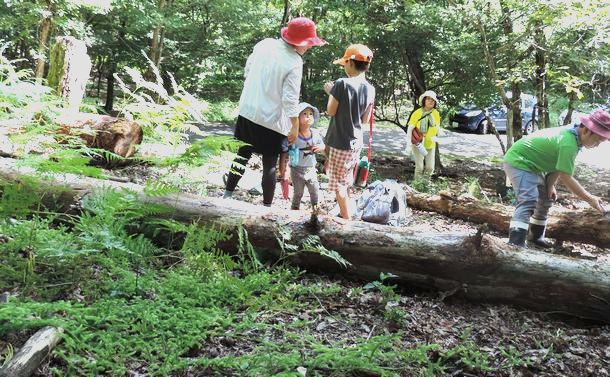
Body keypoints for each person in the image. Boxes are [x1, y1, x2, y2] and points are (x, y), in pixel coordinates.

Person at [223, 17, 326, 206]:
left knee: (242, 155)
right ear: (299, 43)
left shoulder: (264, 44)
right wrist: (295, 125)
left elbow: (248, 70)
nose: (309, 47)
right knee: (269, 165)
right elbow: (290, 98)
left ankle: (227, 195)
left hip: (248, 111)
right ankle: (267, 208)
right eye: (309, 44)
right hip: (271, 121)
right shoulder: (294, 61)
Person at [503, 109, 610, 247]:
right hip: (519, 162)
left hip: (534, 165)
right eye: (598, 140)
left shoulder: (575, 138)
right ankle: (515, 244)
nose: (597, 145)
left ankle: (535, 237)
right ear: (586, 131)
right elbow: (567, 178)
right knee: (528, 199)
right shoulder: (568, 143)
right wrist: (589, 198)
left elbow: (557, 166)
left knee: (546, 198)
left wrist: (550, 185)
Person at [323, 44, 375, 219]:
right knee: (345, 180)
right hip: (355, 141)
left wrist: (331, 93)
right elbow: (365, 119)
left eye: (345, 63)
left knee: (339, 185)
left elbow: (331, 111)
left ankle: (347, 221)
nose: (344, 67)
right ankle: (346, 212)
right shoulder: (371, 89)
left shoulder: (341, 84)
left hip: (340, 140)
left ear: (351, 63)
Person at [290, 102, 324, 211]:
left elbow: (324, 146)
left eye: (310, 114)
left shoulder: (315, 133)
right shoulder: (294, 134)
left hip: (310, 168)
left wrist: (321, 148)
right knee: (298, 193)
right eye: (304, 113)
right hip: (296, 169)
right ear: (297, 118)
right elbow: (287, 151)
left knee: (314, 190)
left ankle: (315, 210)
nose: (308, 116)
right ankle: (294, 210)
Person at [406, 90, 442, 181]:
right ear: (424, 100)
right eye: (428, 99)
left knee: (430, 168)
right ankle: (417, 187)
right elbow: (410, 128)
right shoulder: (417, 113)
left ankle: (424, 185)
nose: (431, 101)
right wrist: (408, 144)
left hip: (430, 144)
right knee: (420, 167)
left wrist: (438, 136)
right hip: (418, 144)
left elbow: (437, 128)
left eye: (433, 100)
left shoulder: (436, 113)